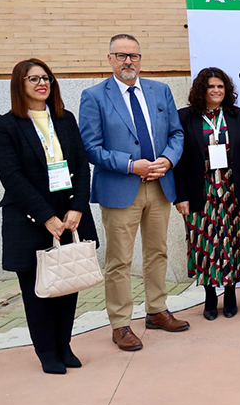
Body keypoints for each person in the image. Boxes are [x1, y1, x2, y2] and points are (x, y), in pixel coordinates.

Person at [79, 34, 188, 352]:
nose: (129, 61)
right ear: (110, 58)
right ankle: (121, 324)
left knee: (158, 252)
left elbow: (176, 133)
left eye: (135, 56)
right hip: (120, 187)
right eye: (122, 55)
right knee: (119, 260)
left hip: (159, 185)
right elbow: (91, 147)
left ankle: (156, 310)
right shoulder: (94, 96)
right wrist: (131, 165)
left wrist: (167, 159)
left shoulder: (160, 91)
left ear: (141, 59)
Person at [0, 59, 99, 374]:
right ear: (19, 84)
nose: (42, 83)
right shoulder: (5, 126)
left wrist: (78, 207)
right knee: (38, 291)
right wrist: (46, 217)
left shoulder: (65, 120)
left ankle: (64, 345)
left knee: (69, 284)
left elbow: (81, 164)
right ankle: (47, 352)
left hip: (71, 216)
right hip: (31, 220)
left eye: (46, 78)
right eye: (34, 78)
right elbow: (11, 177)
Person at [173, 68, 240, 320]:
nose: (216, 91)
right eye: (211, 86)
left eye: (220, 87)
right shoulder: (185, 118)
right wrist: (180, 197)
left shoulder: (237, 116)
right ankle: (210, 296)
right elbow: (178, 162)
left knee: (232, 243)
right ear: (201, 89)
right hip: (202, 193)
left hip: (233, 193)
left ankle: (231, 293)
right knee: (205, 245)